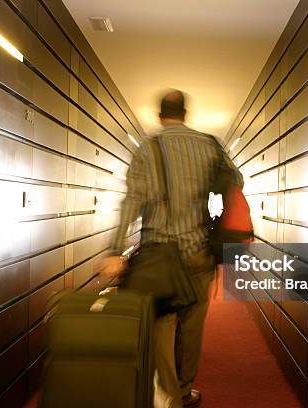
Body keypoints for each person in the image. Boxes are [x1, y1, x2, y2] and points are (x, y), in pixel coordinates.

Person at [100, 89, 243, 408]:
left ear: (161, 116)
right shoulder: (210, 145)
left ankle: (167, 398)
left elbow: (132, 200)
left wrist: (114, 249)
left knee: (162, 329)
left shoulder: (148, 149)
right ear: (185, 114)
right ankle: (183, 389)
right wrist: (209, 207)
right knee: (192, 327)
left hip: (159, 255)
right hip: (199, 251)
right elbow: (235, 182)